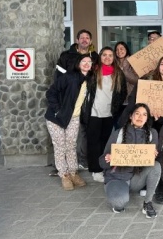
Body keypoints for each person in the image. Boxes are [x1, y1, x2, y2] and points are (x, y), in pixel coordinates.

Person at [99, 103, 161, 218]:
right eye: (137, 113)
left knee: (156, 166)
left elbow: (151, 163)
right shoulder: (118, 133)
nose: (140, 117)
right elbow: (101, 162)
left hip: (136, 178)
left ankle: (147, 203)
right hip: (117, 177)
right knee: (119, 203)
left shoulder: (152, 134)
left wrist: (153, 156)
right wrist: (109, 159)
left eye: (144, 115)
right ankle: (118, 196)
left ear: (147, 118)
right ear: (130, 116)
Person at [45, 54, 92, 191]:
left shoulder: (88, 80)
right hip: (56, 118)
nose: (86, 63)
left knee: (71, 145)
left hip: (74, 118)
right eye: (84, 61)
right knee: (60, 145)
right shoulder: (69, 77)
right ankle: (64, 174)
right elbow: (50, 93)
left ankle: (73, 172)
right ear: (78, 63)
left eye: (89, 61)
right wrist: (58, 111)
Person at [55, 29, 100, 171]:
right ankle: (63, 165)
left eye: (87, 38)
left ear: (91, 41)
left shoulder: (95, 57)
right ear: (77, 40)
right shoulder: (66, 56)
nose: (85, 40)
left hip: (86, 99)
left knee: (84, 130)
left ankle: (81, 160)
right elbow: (58, 78)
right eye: (82, 38)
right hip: (68, 100)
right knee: (66, 132)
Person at [84, 47, 127, 183]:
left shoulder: (118, 73)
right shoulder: (92, 71)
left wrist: (115, 107)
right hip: (94, 113)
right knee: (93, 143)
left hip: (109, 114)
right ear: (100, 56)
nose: (107, 58)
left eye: (110, 55)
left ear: (113, 58)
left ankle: (103, 167)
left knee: (105, 142)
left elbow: (123, 92)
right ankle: (95, 170)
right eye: (104, 55)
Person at [119, 55, 163, 135]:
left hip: (160, 125)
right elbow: (133, 99)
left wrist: (160, 117)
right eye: (162, 64)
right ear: (158, 66)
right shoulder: (145, 80)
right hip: (140, 121)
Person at [114, 41, 139, 128]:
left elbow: (137, 80)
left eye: (121, 49)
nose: (119, 51)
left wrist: (124, 71)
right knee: (118, 125)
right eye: (117, 49)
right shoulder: (114, 63)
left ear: (126, 50)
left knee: (128, 124)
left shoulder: (133, 63)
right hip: (117, 99)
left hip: (130, 98)